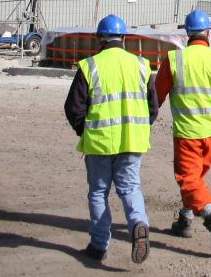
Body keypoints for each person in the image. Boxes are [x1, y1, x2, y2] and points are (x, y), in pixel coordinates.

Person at [64, 14, 157, 263]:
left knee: (98, 192)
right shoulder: (141, 65)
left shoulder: (90, 65)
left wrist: (83, 129)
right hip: (132, 141)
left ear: (99, 39)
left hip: (99, 142)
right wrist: (139, 128)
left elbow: (74, 107)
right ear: (124, 39)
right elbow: (153, 107)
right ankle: (138, 222)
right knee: (130, 188)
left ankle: (98, 246)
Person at [155, 10, 211, 257]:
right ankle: (185, 220)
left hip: (187, 133)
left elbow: (156, 97)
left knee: (188, 179)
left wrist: (143, 121)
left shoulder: (175, 60)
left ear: (187, 34)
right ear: (208, 33)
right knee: (196, 177)